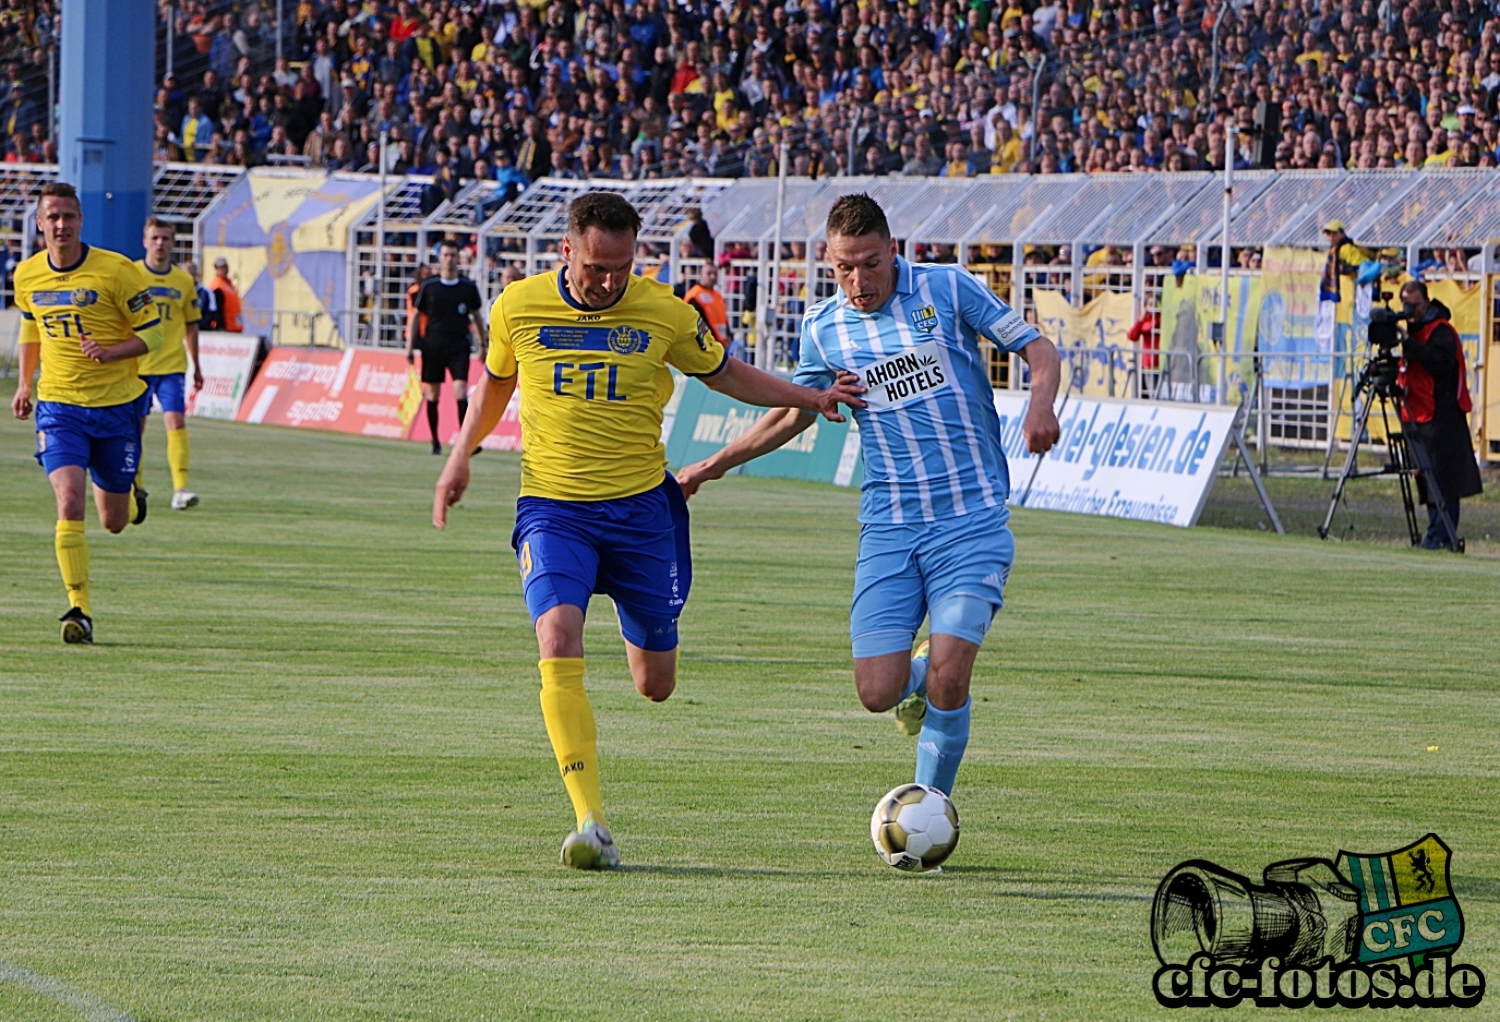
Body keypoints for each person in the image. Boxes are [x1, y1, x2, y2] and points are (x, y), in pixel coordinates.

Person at [431, 192, 862, 870]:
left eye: (621, 267)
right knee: (555, 636)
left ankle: (608, 766)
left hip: (641, 515)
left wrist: (808, 396)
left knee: (654, 683)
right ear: (566, 252)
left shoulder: (664, 312)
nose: (608, 281)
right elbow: (493, 388)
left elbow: (725, 375)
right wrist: (460, 458)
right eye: (595, 267)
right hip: (554, 508)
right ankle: (589, 820)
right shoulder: (518, 307)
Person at [677, 193, 1061, 804]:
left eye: (870, 263)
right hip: (889, 527)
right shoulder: (823, 328)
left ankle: (929, 807)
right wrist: (712, 465)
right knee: (877, 691)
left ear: (893, 251)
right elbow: (796, 412)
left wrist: (1041, 404)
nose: (858, 281)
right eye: (843, 268)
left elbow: (1038, 349)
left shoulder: (948, 289)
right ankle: (919, 681)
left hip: (971, 519)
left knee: (951, 672)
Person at [10, 182, 166, 644]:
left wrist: (114, 351)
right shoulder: (27, 275)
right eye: (52, 217)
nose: (61, 225)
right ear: (39, 223)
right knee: (69, 500)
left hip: (116, 406)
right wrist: (24, 382)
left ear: (81, 221)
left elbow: (154, 334)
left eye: (69, 217)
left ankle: (132, 483)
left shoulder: (116, 272)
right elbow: (30, 326)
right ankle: (79, 608)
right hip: (59, 405)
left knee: (113, 522)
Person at [1397, 280, 1483, 550]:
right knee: (1425, 477)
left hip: (1441, 416)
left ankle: (1442, 535)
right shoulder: (1415, 331)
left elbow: (1439, 364)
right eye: (1405, 303)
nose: (1410, 310)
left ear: (1426, 302)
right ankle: (1434, 532)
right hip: (1417, 413)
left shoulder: (1441, 331)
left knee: (1442, 479)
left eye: (1414, 304)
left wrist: (1410, 343)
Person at [135, 218, 204, 510]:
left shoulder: (184, 281)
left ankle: (180, 489)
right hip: (136, 366)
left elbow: (191, 326)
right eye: (155, 238)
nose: (160, 243)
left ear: (173, 243)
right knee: (134, 428)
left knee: (176, 421)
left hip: (171, 366)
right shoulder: (133, 275)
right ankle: (135, 485)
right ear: (145, 241)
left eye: (165, 238)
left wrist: (197, 366)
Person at [406, 239, 485, 454]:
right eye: (446, 255)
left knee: (461, 391)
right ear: (440, 257)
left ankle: (466, 442)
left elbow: (477, 316)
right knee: (433, 394)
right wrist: (410, 346)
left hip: (458, 345)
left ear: (459, 258)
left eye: (453, 255)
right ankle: (435, 442)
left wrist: (483, 343)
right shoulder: (429, 287)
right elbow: (416, 316)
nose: (450, 259)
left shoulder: (467, 287)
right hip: (433, 346)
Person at [683, 262, 734, 357]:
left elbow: (723, 319)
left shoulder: (717, 295)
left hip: (720, 345)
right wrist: (709, 343)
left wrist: (729, 337)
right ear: (701, 275)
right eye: (709, 273)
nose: (712, 277)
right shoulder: (695, 295)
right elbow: (697, 323)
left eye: (715, 274)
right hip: (705, 346)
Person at [1319, 219, 1373, 304]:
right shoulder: (1334, 249)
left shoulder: (1346, 248)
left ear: (1343, 234)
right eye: (1328, 234)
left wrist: (1342, 269)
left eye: (1335, 234)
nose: (1331, 237)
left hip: (1354, 289)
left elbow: (1362, 266)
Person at [204, 257, 243, 332]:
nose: (224, 270)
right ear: (216, 269)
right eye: (221, 267)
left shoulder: (228, 283)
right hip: (226, 328)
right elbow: (217, 309)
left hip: (234, 326)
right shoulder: (217, 286)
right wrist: (221, 327)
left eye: (225, 267)